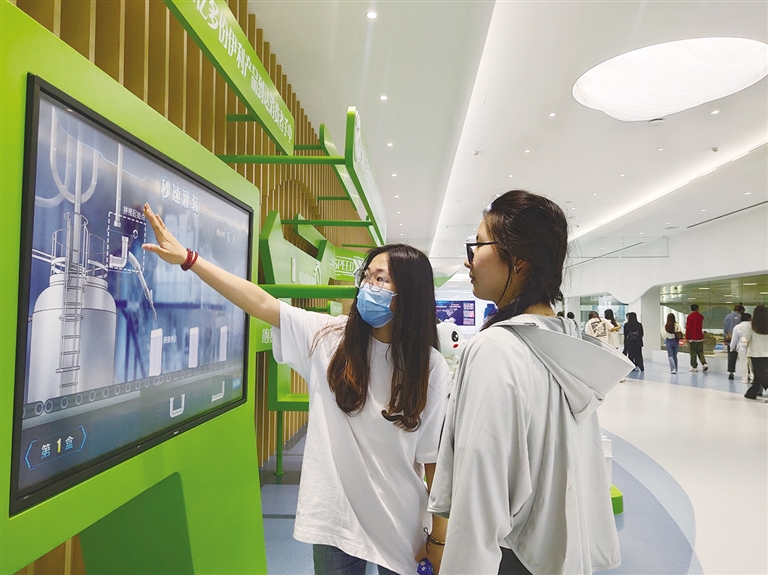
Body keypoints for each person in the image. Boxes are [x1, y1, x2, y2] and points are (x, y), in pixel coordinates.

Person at [141, 203, 450, 575]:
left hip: (401, 524)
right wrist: (190, 259)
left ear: (411, 293)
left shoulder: (429, 367)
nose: (369, 286)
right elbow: (260, 302)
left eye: (381, 279)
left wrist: (440, 538)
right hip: (335, 521)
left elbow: (434, 463)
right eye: (367, 276)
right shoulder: (329, 338)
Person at [425, 190, 633, 575]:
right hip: (555, 554)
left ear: (518, 259)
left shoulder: (496, 348)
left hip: (509, 555)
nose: (468, 260)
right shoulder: (566, 344)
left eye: (477, 246)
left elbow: (480, 492)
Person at [745, 305, 768, 400]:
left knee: (759, 374)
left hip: (756, 353)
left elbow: (747, 337)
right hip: (767, 353)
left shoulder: (751, 326)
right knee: (761, 374)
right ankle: (753, 391)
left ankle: (753, 391)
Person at [723, 304, 745, 380]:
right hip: (741, 341)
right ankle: (746, 374)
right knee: (744, 358)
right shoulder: (742, 317)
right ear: (741, 310)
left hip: (730, 339)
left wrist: (725, 338)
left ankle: (731, 372)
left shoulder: (727, 316)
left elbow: (725, 328)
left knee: (731, 357)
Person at [731, 312, 753, 384]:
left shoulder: (737, 327)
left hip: (742, 346)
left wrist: (732, 347)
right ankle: (753, 378)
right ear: (749, 318)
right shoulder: (753, 326)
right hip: (752, 346)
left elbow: (734, 339)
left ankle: (744, 379)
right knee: (752, 363)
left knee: (743, 363)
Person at [685, 304, 708, 372]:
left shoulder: (689, 317)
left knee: (693, 353)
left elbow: (688, 328)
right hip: (700, 337)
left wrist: (687, 338)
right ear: (697, 309)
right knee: (700, 352)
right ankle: (704, 364)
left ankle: (694, 367)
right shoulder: (701, 317)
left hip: (692, 338)